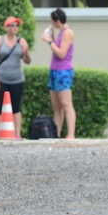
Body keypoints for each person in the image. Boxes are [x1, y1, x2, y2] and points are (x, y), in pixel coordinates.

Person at [0, 16, 31, 138]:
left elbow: (27, 61)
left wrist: (26, 52)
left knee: (16, 108)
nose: (15, 28)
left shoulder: (21, 41)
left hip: (17, 79)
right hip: (1, 78)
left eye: (16, 25)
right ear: (6, 28)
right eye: (12, 25)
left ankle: (17, 134)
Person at [41, 8, 76, 139]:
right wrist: (51, 38)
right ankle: (56, 134)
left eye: (52, 21)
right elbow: (56, 49)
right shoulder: (61, 32)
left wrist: (50, 41)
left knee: (66, 104)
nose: (51, 23)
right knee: (56, 106)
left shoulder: (68, 33)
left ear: (57, 21)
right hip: (54, 70)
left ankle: (70, 134)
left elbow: (61, 53)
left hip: (63, 71)